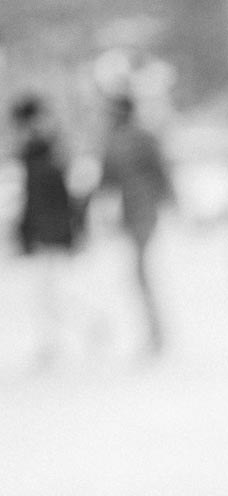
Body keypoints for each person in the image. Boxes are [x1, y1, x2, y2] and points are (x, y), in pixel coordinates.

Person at [97, 92, 174, 354]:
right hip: (134, 214)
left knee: (140, 275)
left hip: (140, 213)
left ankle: (156, 334)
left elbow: (161, 174)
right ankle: (153, 332)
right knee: (137, 275)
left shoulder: (131, 139)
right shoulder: (124, 139)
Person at [10, 94, 80, 366]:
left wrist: (69, 230)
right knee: (46, 291)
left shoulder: (47, 151)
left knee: (51, 290)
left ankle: (58, 340)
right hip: (43, 230)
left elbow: (60, 195)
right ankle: (50, 341)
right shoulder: (36, 152)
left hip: (51, 229)